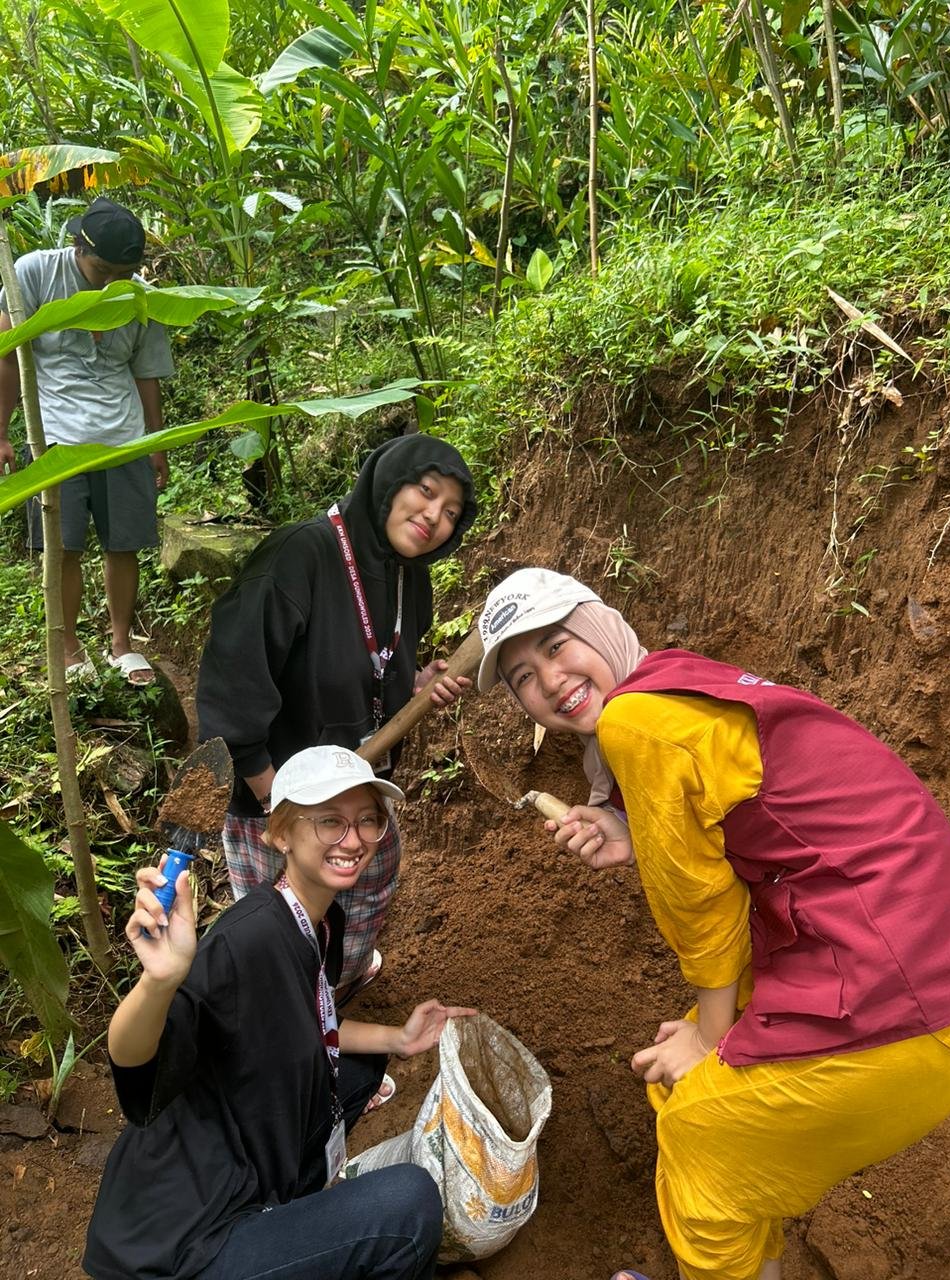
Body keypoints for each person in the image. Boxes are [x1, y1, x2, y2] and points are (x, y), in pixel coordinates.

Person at [476, 566, 950, 1280]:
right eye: (522, 676)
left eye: (555, 644)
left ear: (600, 623)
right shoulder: (676, 684)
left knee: (698, 1134)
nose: (547, 679)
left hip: (897, 992)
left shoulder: (634, 720)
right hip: (903, 950)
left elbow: (700, 905)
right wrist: (629, 829)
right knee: (693, 1103)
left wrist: (711, 1034)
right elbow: (745, 817)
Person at [84, 744, 476, 1280]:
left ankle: (294, 1211)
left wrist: (400, 1038)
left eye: (367, 821)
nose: (354, 840)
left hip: (247, 1163)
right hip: (185, 1241)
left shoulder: (321, 921)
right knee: (410, 1204)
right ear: (280, 834)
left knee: (360, 1069)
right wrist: (159, 982)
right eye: (330, 822)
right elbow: (138, 1068)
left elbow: (310, 1024)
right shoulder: (248, 939)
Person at [195, 434, 476, 996]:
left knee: (371, 878)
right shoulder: (301, 555)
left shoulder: (408, 576)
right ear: (388, 483)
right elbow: (231, 684)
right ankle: (301, 1026)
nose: (433, 518)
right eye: (425, 492)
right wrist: (281, 804)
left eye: (450, 513)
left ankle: (336, 987)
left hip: (356, 782)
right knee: (283, 931)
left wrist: (415, 685)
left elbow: (373, 664)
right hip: (277, 792)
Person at [0, 196, 175, 685]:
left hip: (122, 436)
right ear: (78, 247)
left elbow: (146, 376)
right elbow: (8, 356)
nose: (113, 282)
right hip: (55, 436)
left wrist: (155, 443)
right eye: (103, 269)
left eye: (125, 272)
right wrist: (0, 431)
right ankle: (70, 647)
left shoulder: (139, 296)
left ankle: (120, 644)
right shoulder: (34, 274)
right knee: (64, 548)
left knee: (124, 545)